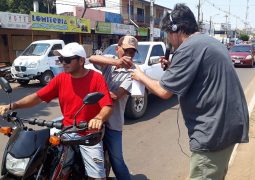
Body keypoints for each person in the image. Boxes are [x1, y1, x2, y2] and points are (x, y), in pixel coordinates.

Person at [130, 4, 249, 180]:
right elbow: (201, 73)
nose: (169, 40)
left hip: (212, 132)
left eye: (168, 34)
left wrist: (140, 75)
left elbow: (163, 92)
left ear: (177, 29)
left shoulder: (188, 48)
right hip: (229, 126)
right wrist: (173, 67)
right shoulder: (208, 42)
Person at [0, 42, 113, 180]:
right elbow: (37, 97)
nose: (63, 63)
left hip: (87, 134)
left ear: (81, 60)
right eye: (61, 60)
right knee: (42, 159)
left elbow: (107, 106)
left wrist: (98, 118)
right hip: (65, 130)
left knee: (97, 176)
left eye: (67, 60)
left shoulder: (96, 78)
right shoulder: (60, 78)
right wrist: (12, 106)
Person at [89, 35, 137, 180]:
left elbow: (116, 96)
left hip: (113, 124)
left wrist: (95, 94)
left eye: (132, 52)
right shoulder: (110, 60)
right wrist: (116, 62)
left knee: (117, 160)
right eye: (126, 51)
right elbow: (92, 58)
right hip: (97, 119)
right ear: (118, 49)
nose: (129, 55)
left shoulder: (133, 72)